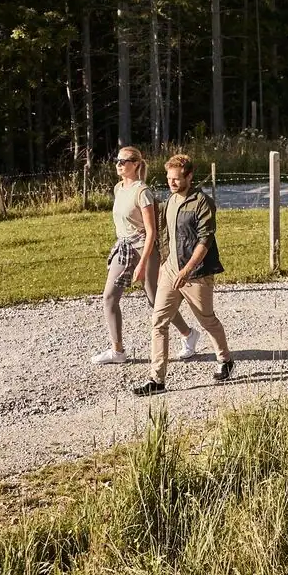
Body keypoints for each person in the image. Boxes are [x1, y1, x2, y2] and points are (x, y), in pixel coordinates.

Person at [132, 152, 234, 394]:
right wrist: (165, 266)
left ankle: (225, 360)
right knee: (158, 322)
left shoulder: (202, 203)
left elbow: (205, 240)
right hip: (171, 270)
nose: (172, 183)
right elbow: (165, 236)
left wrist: (187, 270)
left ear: (189, 176)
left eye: (176, 179)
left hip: (196, 273)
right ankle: (157, 380)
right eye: (169, 178)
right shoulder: (169, 202)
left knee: (206, 319)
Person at [92, 147, 199, 366]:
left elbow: (151, 232)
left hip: (144, 248)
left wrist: (142, 264)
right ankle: (117, 350)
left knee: (154, 299)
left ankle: (188, 334)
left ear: (136, 164)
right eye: (117, 160)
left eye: (125, 161)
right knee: (109, 297)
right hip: (124, 247)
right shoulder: (118, 188)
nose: (119, 164)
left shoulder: (143, 192)